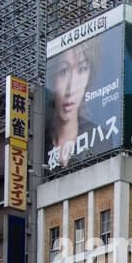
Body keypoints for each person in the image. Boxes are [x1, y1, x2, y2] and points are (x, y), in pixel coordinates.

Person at [45, 36, 103, 170]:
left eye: (82, 69)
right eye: (64, 71)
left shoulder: (101, 138)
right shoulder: (38, 141)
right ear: (51, 78)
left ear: (89, 77)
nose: (70, 89)